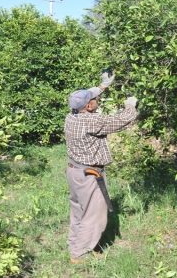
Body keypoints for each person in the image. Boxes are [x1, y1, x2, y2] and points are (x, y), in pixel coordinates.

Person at [64, 70, 138, 263]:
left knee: (79, 209)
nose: (97, 99)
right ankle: (80, 254)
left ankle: (75, 243)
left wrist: (103, 86)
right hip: (90, 174)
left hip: (74, 171)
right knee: (95, 215)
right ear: (89, 106)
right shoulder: (93, 120)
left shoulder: (71, 116)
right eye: (94, 99)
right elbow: (122, 121)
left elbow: (85, 96)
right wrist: (130, 104)